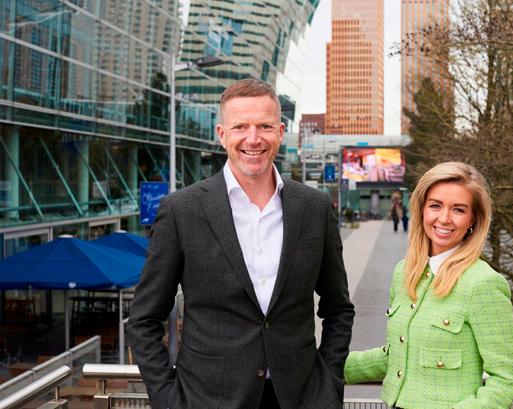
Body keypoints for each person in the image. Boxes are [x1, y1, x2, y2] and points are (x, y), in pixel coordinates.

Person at [127, 79, 355, 409]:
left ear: (280, 132)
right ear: (222, 134)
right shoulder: (181, 211)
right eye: (240, 127)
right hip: (208, 401)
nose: (253, 138)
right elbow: (144, 319)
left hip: (300, 399)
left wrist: (328, 382)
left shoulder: (315, 208)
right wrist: (168, 400)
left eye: (264, 126)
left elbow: (338, 309)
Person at [344, 162, 513, 408]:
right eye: (435, 205)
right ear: (421, 210)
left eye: (458, 209)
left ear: (473, 219)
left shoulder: (483, 283)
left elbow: (505, 379)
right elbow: (397, 355)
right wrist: (319, 364)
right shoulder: (405, 272)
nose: (444, 218)